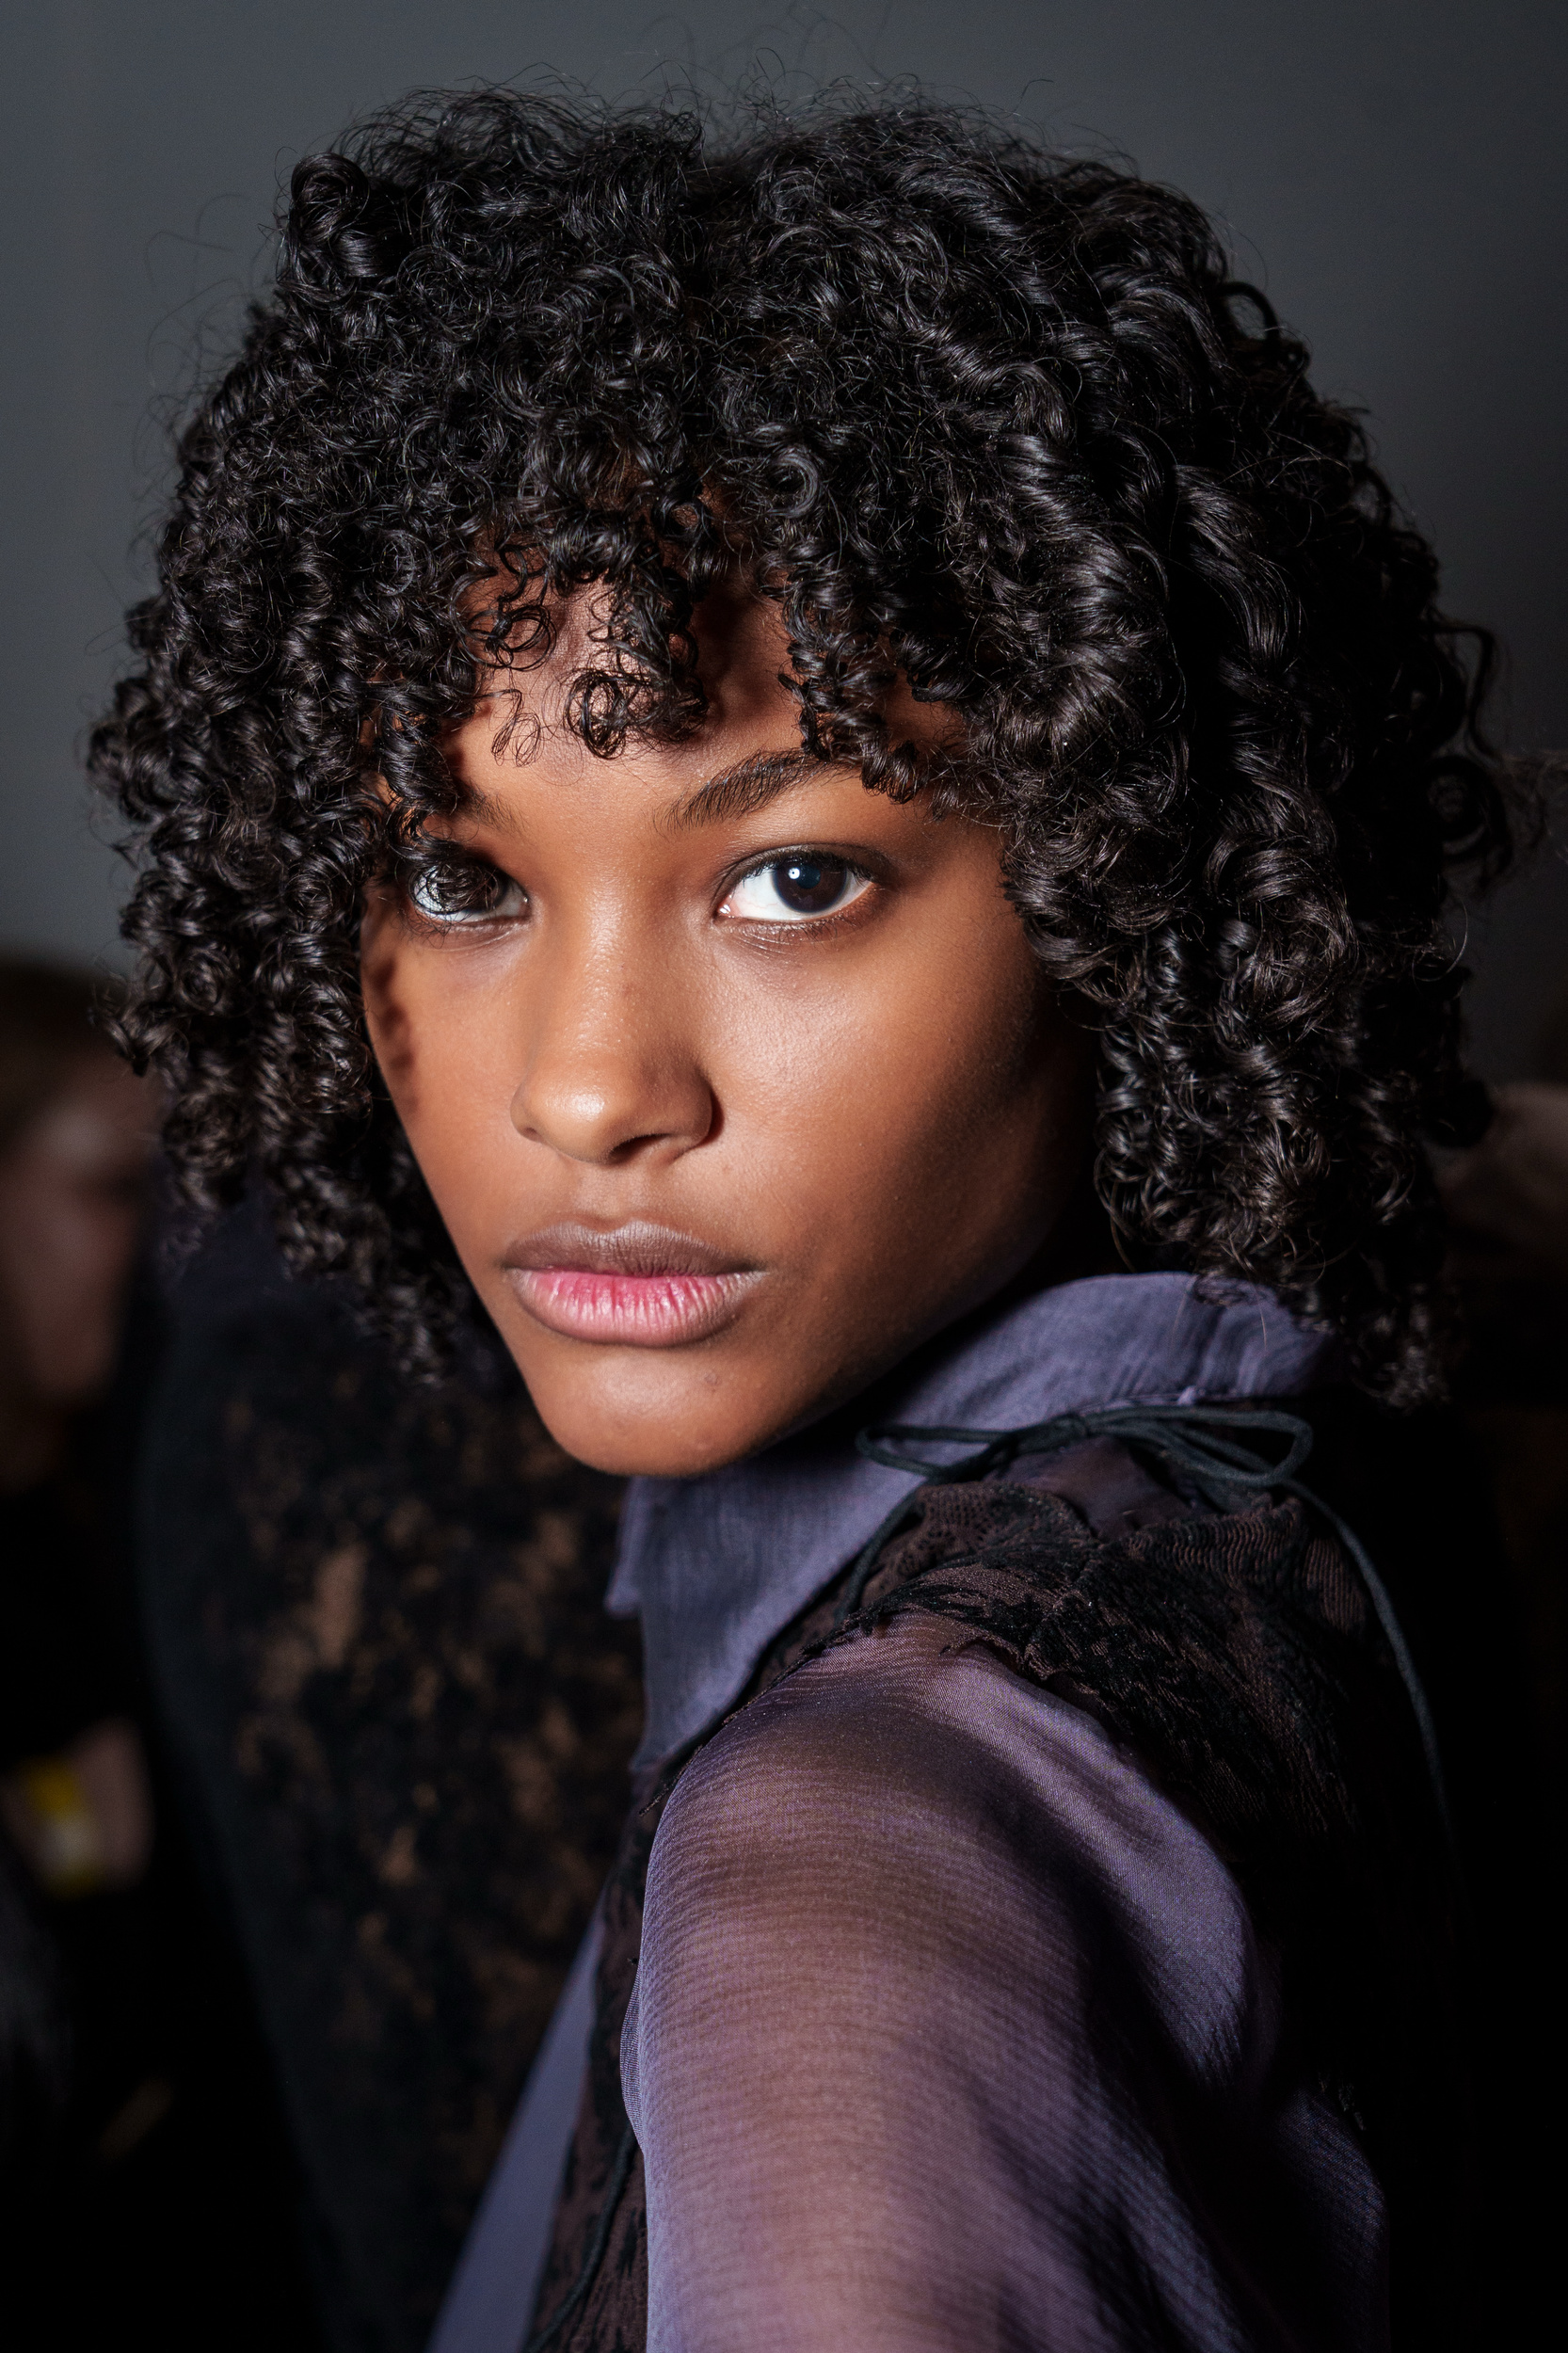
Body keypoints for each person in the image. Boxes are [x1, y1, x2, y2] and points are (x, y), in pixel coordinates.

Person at [90, 91, 1537, 2351]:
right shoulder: (1252, 1446)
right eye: (461, 876)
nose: (587, 1088)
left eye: (790, 876)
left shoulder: (852, 1888)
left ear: (1120, 880)